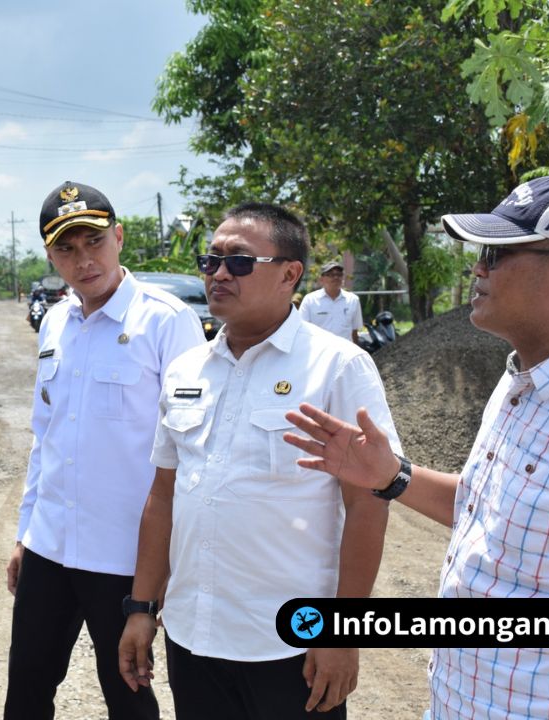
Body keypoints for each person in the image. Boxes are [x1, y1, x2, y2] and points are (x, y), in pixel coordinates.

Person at [283, 174, 549, 718]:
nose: (477, 269)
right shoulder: (519, 382)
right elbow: (490, 510)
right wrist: (392, 476)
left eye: (496, 254)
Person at [117, 203, 400, 720]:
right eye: (212, 261)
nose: (219, 273)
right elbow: (163, 496)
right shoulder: (186, 369)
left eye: (240, 262)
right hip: (194, 635)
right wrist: (141, 608)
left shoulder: (337, 367)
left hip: (290, 645)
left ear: (290, 274)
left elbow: (368, 506)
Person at [5, 181, 203, 720]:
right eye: (66, 248)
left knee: (128, 695)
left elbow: (192, 451)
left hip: (123, 558)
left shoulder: (165, 322)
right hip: (50, 546)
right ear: (51, 255)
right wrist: (26, 532)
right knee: (25, 690)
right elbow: (45, 438)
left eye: (93, 241)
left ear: (119, 237)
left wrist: (163, 571)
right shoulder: (54, 322)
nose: (83, 260)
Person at [298, 260, 363, 344]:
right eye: (331, 275)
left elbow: (354, 331)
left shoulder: (353, 300)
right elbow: (302, 329)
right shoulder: (310, 300)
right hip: (319, 351)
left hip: (345, 353)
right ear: (321, 279)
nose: (336, 278)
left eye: (339, 275)